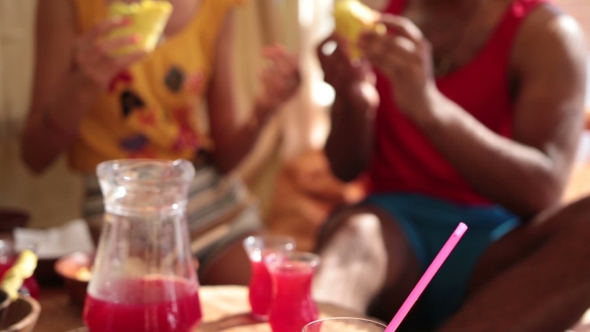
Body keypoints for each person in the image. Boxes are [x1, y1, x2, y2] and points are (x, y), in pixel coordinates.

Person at [313, 0, 588, 330]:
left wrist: (430, 109)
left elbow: (542, 193)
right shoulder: (377, 11)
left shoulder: (546, 34)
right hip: (389, 230)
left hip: (494, 249)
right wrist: (352, 100)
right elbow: (345, 168)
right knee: (357, 235)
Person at [21, 0, 300, 282]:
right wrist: (85, 82)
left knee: (274, 295)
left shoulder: (215, 6)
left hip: (209, 200)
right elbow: (35, 156)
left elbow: (225, 159)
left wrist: (264, 110)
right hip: (123, 205)